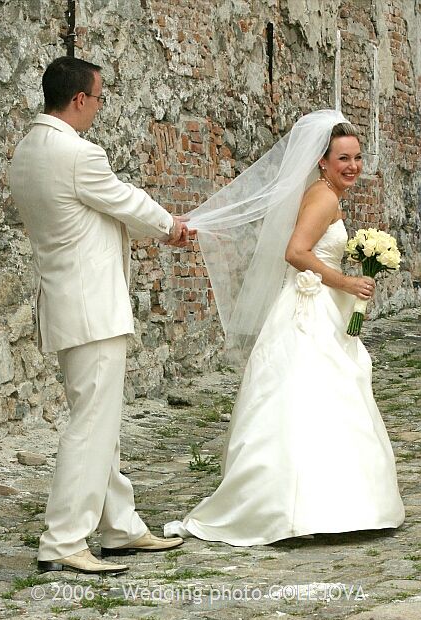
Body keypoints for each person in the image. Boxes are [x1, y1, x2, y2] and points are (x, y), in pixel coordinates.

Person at [165, 110, 405, 546]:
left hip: (319, 304)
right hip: (309, 308)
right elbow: (296, 252)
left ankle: (327, 505)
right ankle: (299, 507)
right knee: (310, 394)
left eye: (357, 158)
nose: (352, 166)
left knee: (321, 394)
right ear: (322, 162)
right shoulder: (324, 198)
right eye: (343, 159)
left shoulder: (323, 193)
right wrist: (347, 281)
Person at [10, 56, 187, 573]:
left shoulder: (27, 150)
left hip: (64, 304)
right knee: (90, 425)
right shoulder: (78, 153)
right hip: (93, 308)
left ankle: (119, 526)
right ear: (80, 99)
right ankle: (64, 539)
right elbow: (124, 201)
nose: (99, 108)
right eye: (99, 98)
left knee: (97, 420)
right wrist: (170, 225)